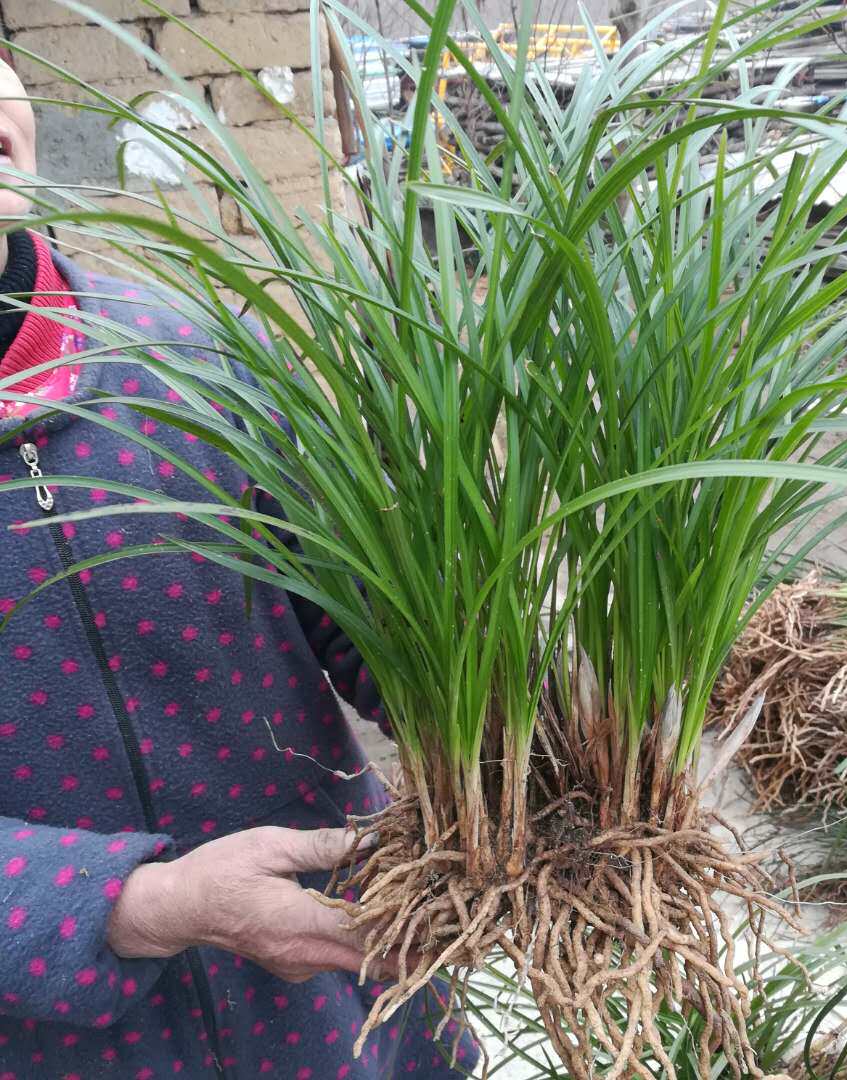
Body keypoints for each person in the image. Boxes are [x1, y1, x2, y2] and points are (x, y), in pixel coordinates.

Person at [0, 58, 476, 1078]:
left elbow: (357, 618)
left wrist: (510, 696)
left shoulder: (197, 352)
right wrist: (144, 903)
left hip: (340, 992)